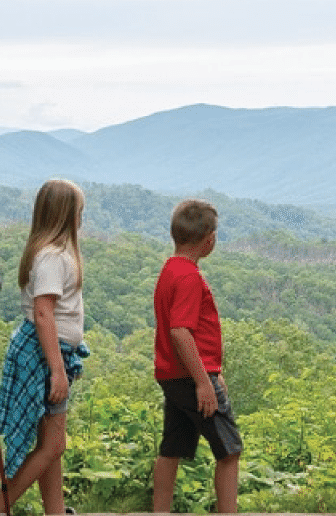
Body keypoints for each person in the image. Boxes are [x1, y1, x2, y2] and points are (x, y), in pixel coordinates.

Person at [0, 179, 90, 516]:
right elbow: (43, 313)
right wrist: (57, 371)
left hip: (46, 353)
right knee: (54, 444)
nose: (82, 219)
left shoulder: (48, 252)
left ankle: (54, 511)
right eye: (79, 212)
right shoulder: (53, 257)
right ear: (66, 216)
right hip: (44, 356)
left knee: (49, 445)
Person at [151, 199, 242, 514]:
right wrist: (205, 382)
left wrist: (214, 372)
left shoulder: (170, 269)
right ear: (209, 240)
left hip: (172, 376)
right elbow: (180, 331)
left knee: (172, 448)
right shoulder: (189, 277)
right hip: (192, 378)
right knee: (229, 452)